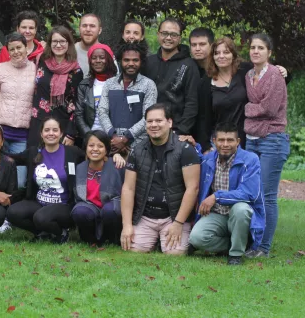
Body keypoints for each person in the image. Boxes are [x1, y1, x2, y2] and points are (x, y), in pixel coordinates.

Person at [120, 104, 200, 255]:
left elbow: (193, 188)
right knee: (133, 251)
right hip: (145, 216)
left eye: (158, 120)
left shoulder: (185, 150)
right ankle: (154, 238)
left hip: (174, 216)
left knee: (175, 254)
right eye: (149, 122)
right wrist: (127, 225)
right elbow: (128, 188)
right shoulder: (137, 150)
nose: (154, 125)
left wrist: (178, 223)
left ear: (169, 123)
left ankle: (174, 235)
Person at [189, 123, 265, 265]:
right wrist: (193, 146)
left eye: (230, 140)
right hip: (217, 214)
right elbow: (195, 160)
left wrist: (216, 196)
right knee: (196, 238)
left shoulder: (250, 160)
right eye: (221, 140)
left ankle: (235, 254)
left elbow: (249, 194)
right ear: (214, 141)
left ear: (238, 142)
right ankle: (236, 244)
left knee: (240, 209)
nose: (225, 144)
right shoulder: (208, 159)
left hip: (240, 215)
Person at [243, 33, 289, 258]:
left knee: (267, 195)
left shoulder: (275, 76)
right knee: (253, 193)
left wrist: (247, 110)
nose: (256, 51)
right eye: (253, 47)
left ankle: (264, 247)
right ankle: (254, 242)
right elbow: (258, 105)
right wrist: (254, 109)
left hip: (273, 140)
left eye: (261, 48)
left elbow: (269, 109)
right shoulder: (249, 75)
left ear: (269, 52)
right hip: (252, 140)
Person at [6, 117, 82, 243]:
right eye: (47, 130)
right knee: (13, 213)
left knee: (41, 217)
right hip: (39, 203)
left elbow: (93, 157)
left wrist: (117, 157)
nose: (51, 133)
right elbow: (13, 158)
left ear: (61, 133)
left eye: (55, 130)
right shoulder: (34, 152)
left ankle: (61, 233)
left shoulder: (72, 152)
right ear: (41, 134)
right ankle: (43, 232)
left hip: (63, 206)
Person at [0, 33, 36, 186]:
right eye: (11, 49)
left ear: (26, 48)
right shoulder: (0, 69)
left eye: (19, 47)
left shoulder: (35, 69)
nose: (16, 52)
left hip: (22, 133)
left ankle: (11, 208)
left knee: (19, 182)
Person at [28, 26, 83, 147]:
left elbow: (78, 104)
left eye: (62, 41)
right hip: (39, 122)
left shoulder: (76, 71)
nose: (58, 45)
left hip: (62, 125)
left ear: (69, 44)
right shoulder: (41, 62)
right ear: (50, 43)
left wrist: (70, 133)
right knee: (35, 161)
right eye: (55, 41)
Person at [144, 18, 200, 137]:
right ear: (158, 34)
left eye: (173, 35)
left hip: (176, 131)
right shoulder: (148, 62)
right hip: (149, 129)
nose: (168, 38)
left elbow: (192, 103)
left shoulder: (189, 65)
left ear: (179, 38)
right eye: (164, 33)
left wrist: (182, 131)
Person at [98, 41, 157, 153]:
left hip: (139, 147)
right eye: (126, 60)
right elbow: (102, 111)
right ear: (120, 61)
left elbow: (149, 116)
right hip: (112, 145)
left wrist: (126, 138)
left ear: (141, 62)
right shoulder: (109, 84)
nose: (131, 63)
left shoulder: (148, 85)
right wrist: (114, 137)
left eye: (135, 60)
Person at [196, 37, 249, 153]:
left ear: (233, 55)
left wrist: (283, 72)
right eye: (217, 53)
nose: (221, 56)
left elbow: (267, 74)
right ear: (213, 57)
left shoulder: (244, 72)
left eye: (226, 52)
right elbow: (203, 117)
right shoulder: (206, 81)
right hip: (219, 141)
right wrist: (205, 146)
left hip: (244, 139)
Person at [71, 130, 124, 245]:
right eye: (91, 145)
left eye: (100, 146)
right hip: (90, 206)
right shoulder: (80, 168)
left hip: (111, 207)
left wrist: (117, 155)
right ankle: (91, 239)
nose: (95, 149)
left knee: (110, 211)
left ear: (106, 149)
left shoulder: (116, 165)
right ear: (85, 148)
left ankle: (113, 239)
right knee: (80, 211)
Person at [75, 43, 118, 142]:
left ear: (109, 59)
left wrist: (115, 137)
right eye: (94, 58)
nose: (98, 61)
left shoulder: (119, 84)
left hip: (114, 138)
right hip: (90, 137)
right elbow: (79, 115)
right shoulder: (84, 85)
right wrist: (89, 136)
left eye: (102, 57)